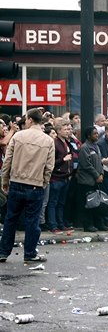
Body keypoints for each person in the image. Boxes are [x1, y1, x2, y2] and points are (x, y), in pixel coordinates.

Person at [0, 108, 54, 263]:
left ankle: (3, 252)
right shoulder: (48, 140)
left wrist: (5, 181)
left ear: (30, 120)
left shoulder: (18, 136)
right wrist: (43, 182)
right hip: (35, 185)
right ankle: (30, 253)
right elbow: (49, 167)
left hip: (17, 182)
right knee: (32, 221)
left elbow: (7, 161)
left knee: (11, 219)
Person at [76, 126, 108, 232]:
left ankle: (99, 223)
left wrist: (101, 174)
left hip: (97, 180)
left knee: (98, 203)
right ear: (89, 135)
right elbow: (86, 164)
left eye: (97, 133)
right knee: (88, 204)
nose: (97, 135)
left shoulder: (96, 147)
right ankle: (88, 224)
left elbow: (99, 161)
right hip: (87, 181)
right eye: (94, 133)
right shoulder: (84, 147)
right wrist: (96, 175)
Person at [47, 119, 74, 234]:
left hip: (65, 177)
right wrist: (63, 159)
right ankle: (53, 225)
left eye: (68, 129)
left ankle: (60, 224)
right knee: (53, 202)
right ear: (58, 131)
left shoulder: (66, 142)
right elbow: (51, 161)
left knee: (61, 202)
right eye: (65, 129)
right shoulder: (54, 143)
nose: (68, 131)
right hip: (56, 177)